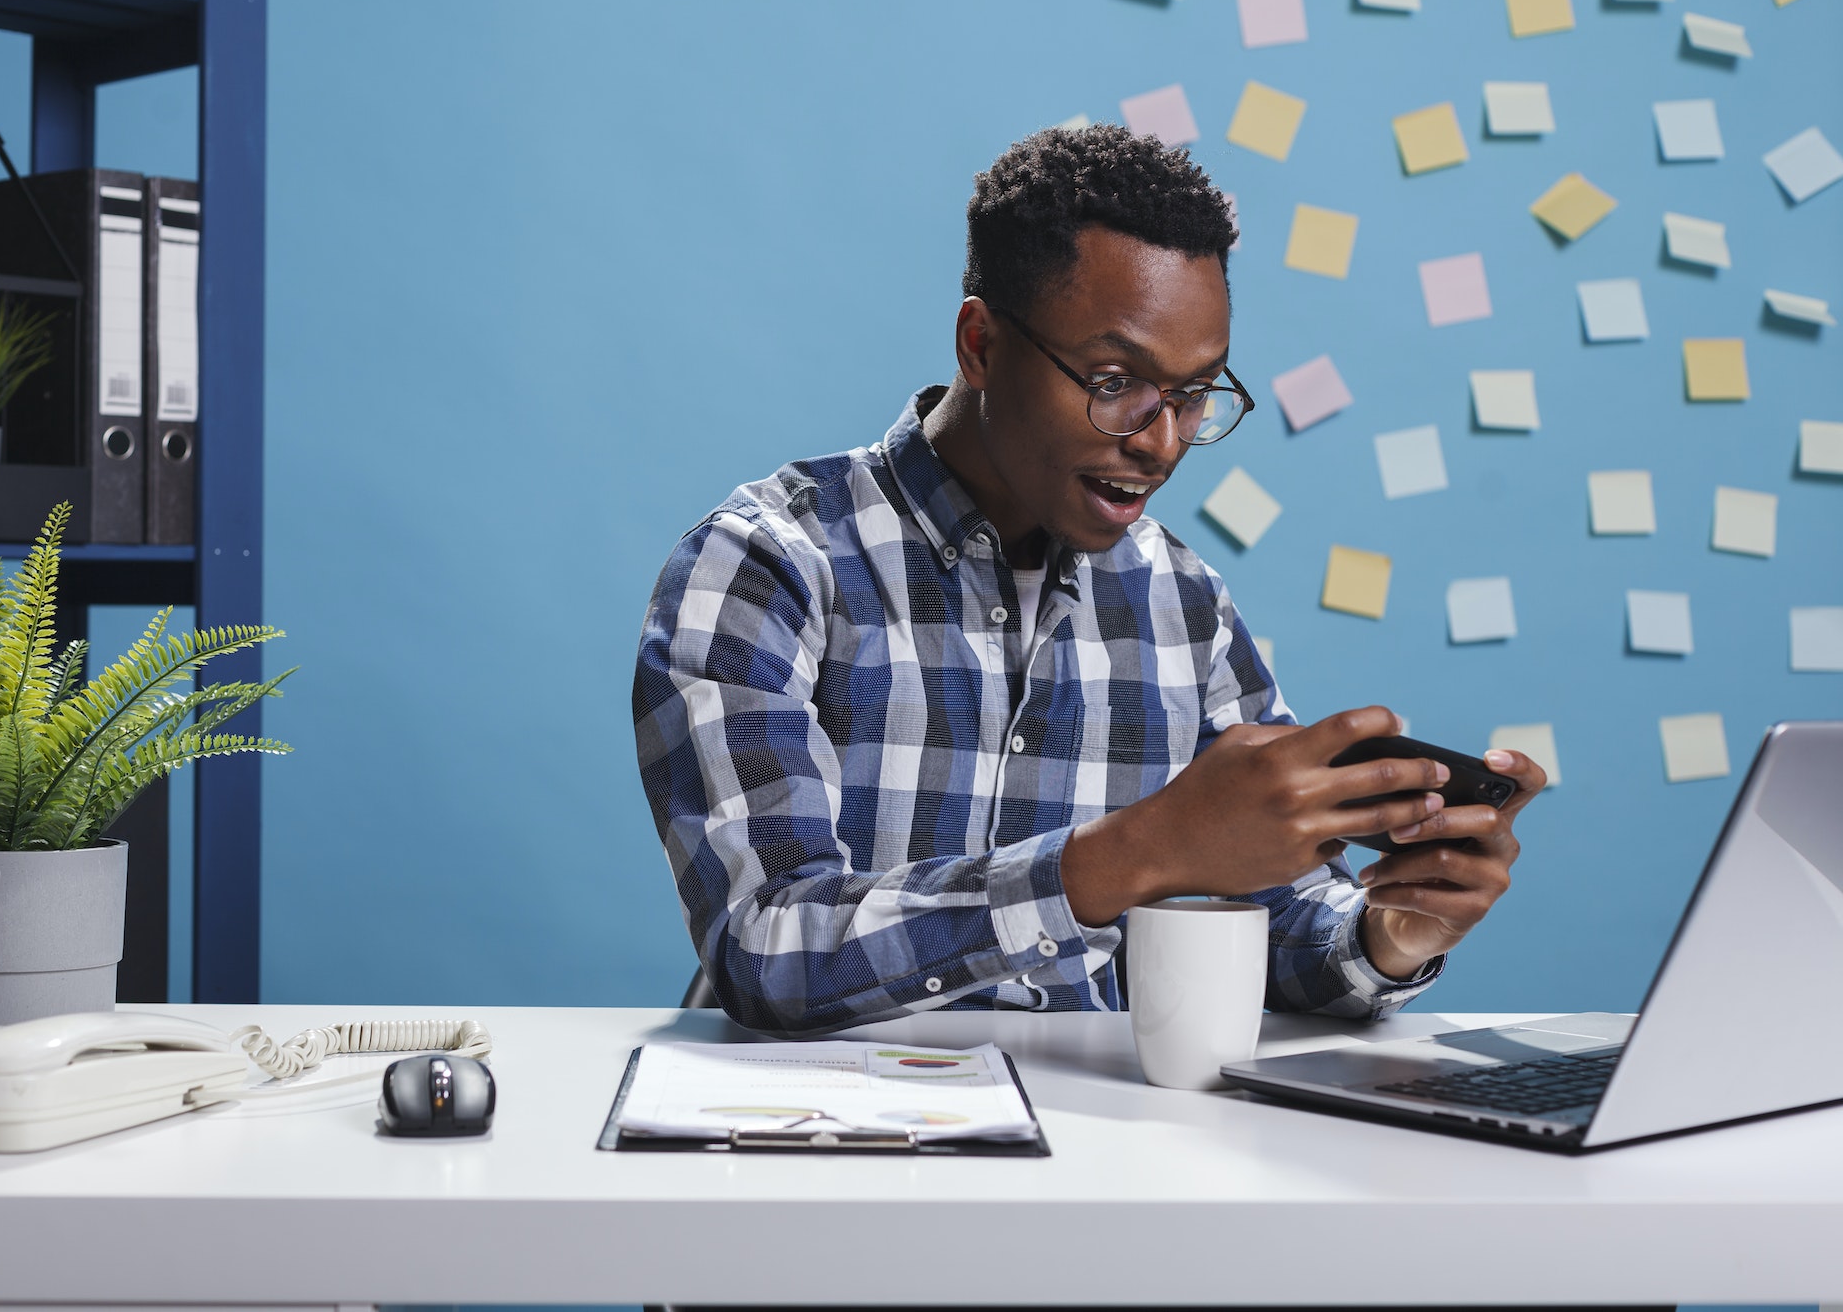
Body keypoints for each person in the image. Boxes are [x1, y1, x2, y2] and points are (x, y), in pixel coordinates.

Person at [632, 125, 1545, 1037]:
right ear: (981, 344)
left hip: (1102, 1153)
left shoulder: (1185, 606)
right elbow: (766, 947)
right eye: (1115, 381)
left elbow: (1279, 928)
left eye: (1195, 393)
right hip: (820, 1144)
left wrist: (1387, 932)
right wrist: (1135, 853)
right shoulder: (768, 565)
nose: (1159, 439)